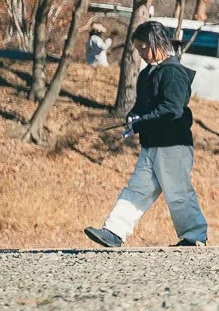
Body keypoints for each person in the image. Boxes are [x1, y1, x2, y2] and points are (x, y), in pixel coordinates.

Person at [84, 21, 207, 248]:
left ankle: (195, 237)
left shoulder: (173, 72)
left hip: (174, 144)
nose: (140, 53)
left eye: (143, 47)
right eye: (138, 48)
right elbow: (141, 107)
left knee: (178, 192)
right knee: (137, 188)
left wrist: (142, 121)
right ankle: (113, 232)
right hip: (151, 143)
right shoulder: (146, 74)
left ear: (156, 43)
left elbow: (172, 109)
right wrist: (134, 117)